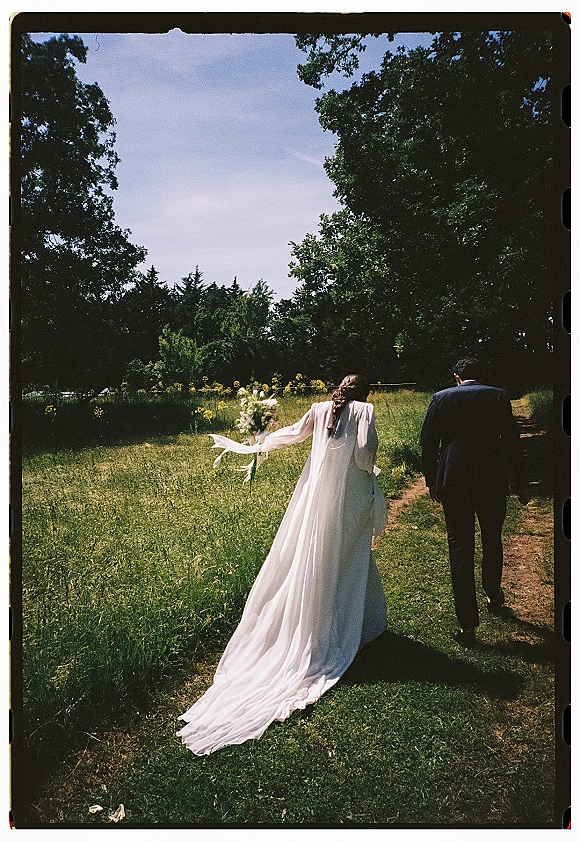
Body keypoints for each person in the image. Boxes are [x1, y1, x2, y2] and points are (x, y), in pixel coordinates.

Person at [177, 374, 389, 755]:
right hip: (349, 497)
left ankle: (350, 616)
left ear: (339, 389)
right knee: (346, 556)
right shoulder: (365, 411)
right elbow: (363, 455)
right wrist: (373, 474)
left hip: (314, 497)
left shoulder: (321, 408)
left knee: (317, 553)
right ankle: (340, 623)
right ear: (365, 392)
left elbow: (292, 433)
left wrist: (260, 442)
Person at [420, 358, 531, 647]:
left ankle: (467, 625)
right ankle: (493, 595)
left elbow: (428, 441)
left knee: (460, 546)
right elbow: (511, 440)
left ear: (456, 376)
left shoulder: (440, 398)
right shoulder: (497, 395)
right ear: (480, 375)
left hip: (453, 479)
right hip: (491, 477)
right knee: (492, 537)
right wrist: (520, 481)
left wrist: (431, 480)